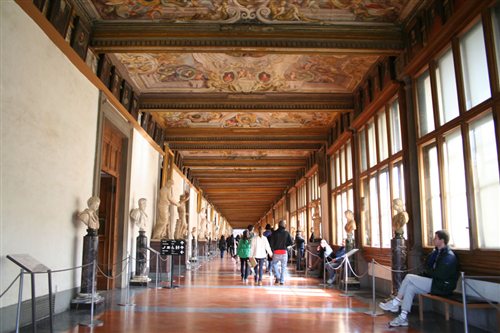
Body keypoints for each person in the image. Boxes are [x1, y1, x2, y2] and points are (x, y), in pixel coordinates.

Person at [379, 230, 459, 327]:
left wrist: (428, 271)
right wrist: (431, 259)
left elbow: (439, 274)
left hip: (442, 285)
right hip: (434, 282)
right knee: (410, 288)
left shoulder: (448, 256)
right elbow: (427, 266)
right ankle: (403, 317)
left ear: (442, 240)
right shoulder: (437, 253)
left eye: (436, 238)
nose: (433, 240)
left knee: (408, 277)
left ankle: (396, 302)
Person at [268, 220, 293, 285]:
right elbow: (291, 242)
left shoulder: (274, 233)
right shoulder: (286, 233)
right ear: (284, 225)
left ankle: (278, 276)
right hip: (284, 252)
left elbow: (271, 243)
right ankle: (282, 280)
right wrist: (285, 245)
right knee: (283, 267)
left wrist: (272, 250)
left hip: (276, 252)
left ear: (278, 225)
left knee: (274, 264)